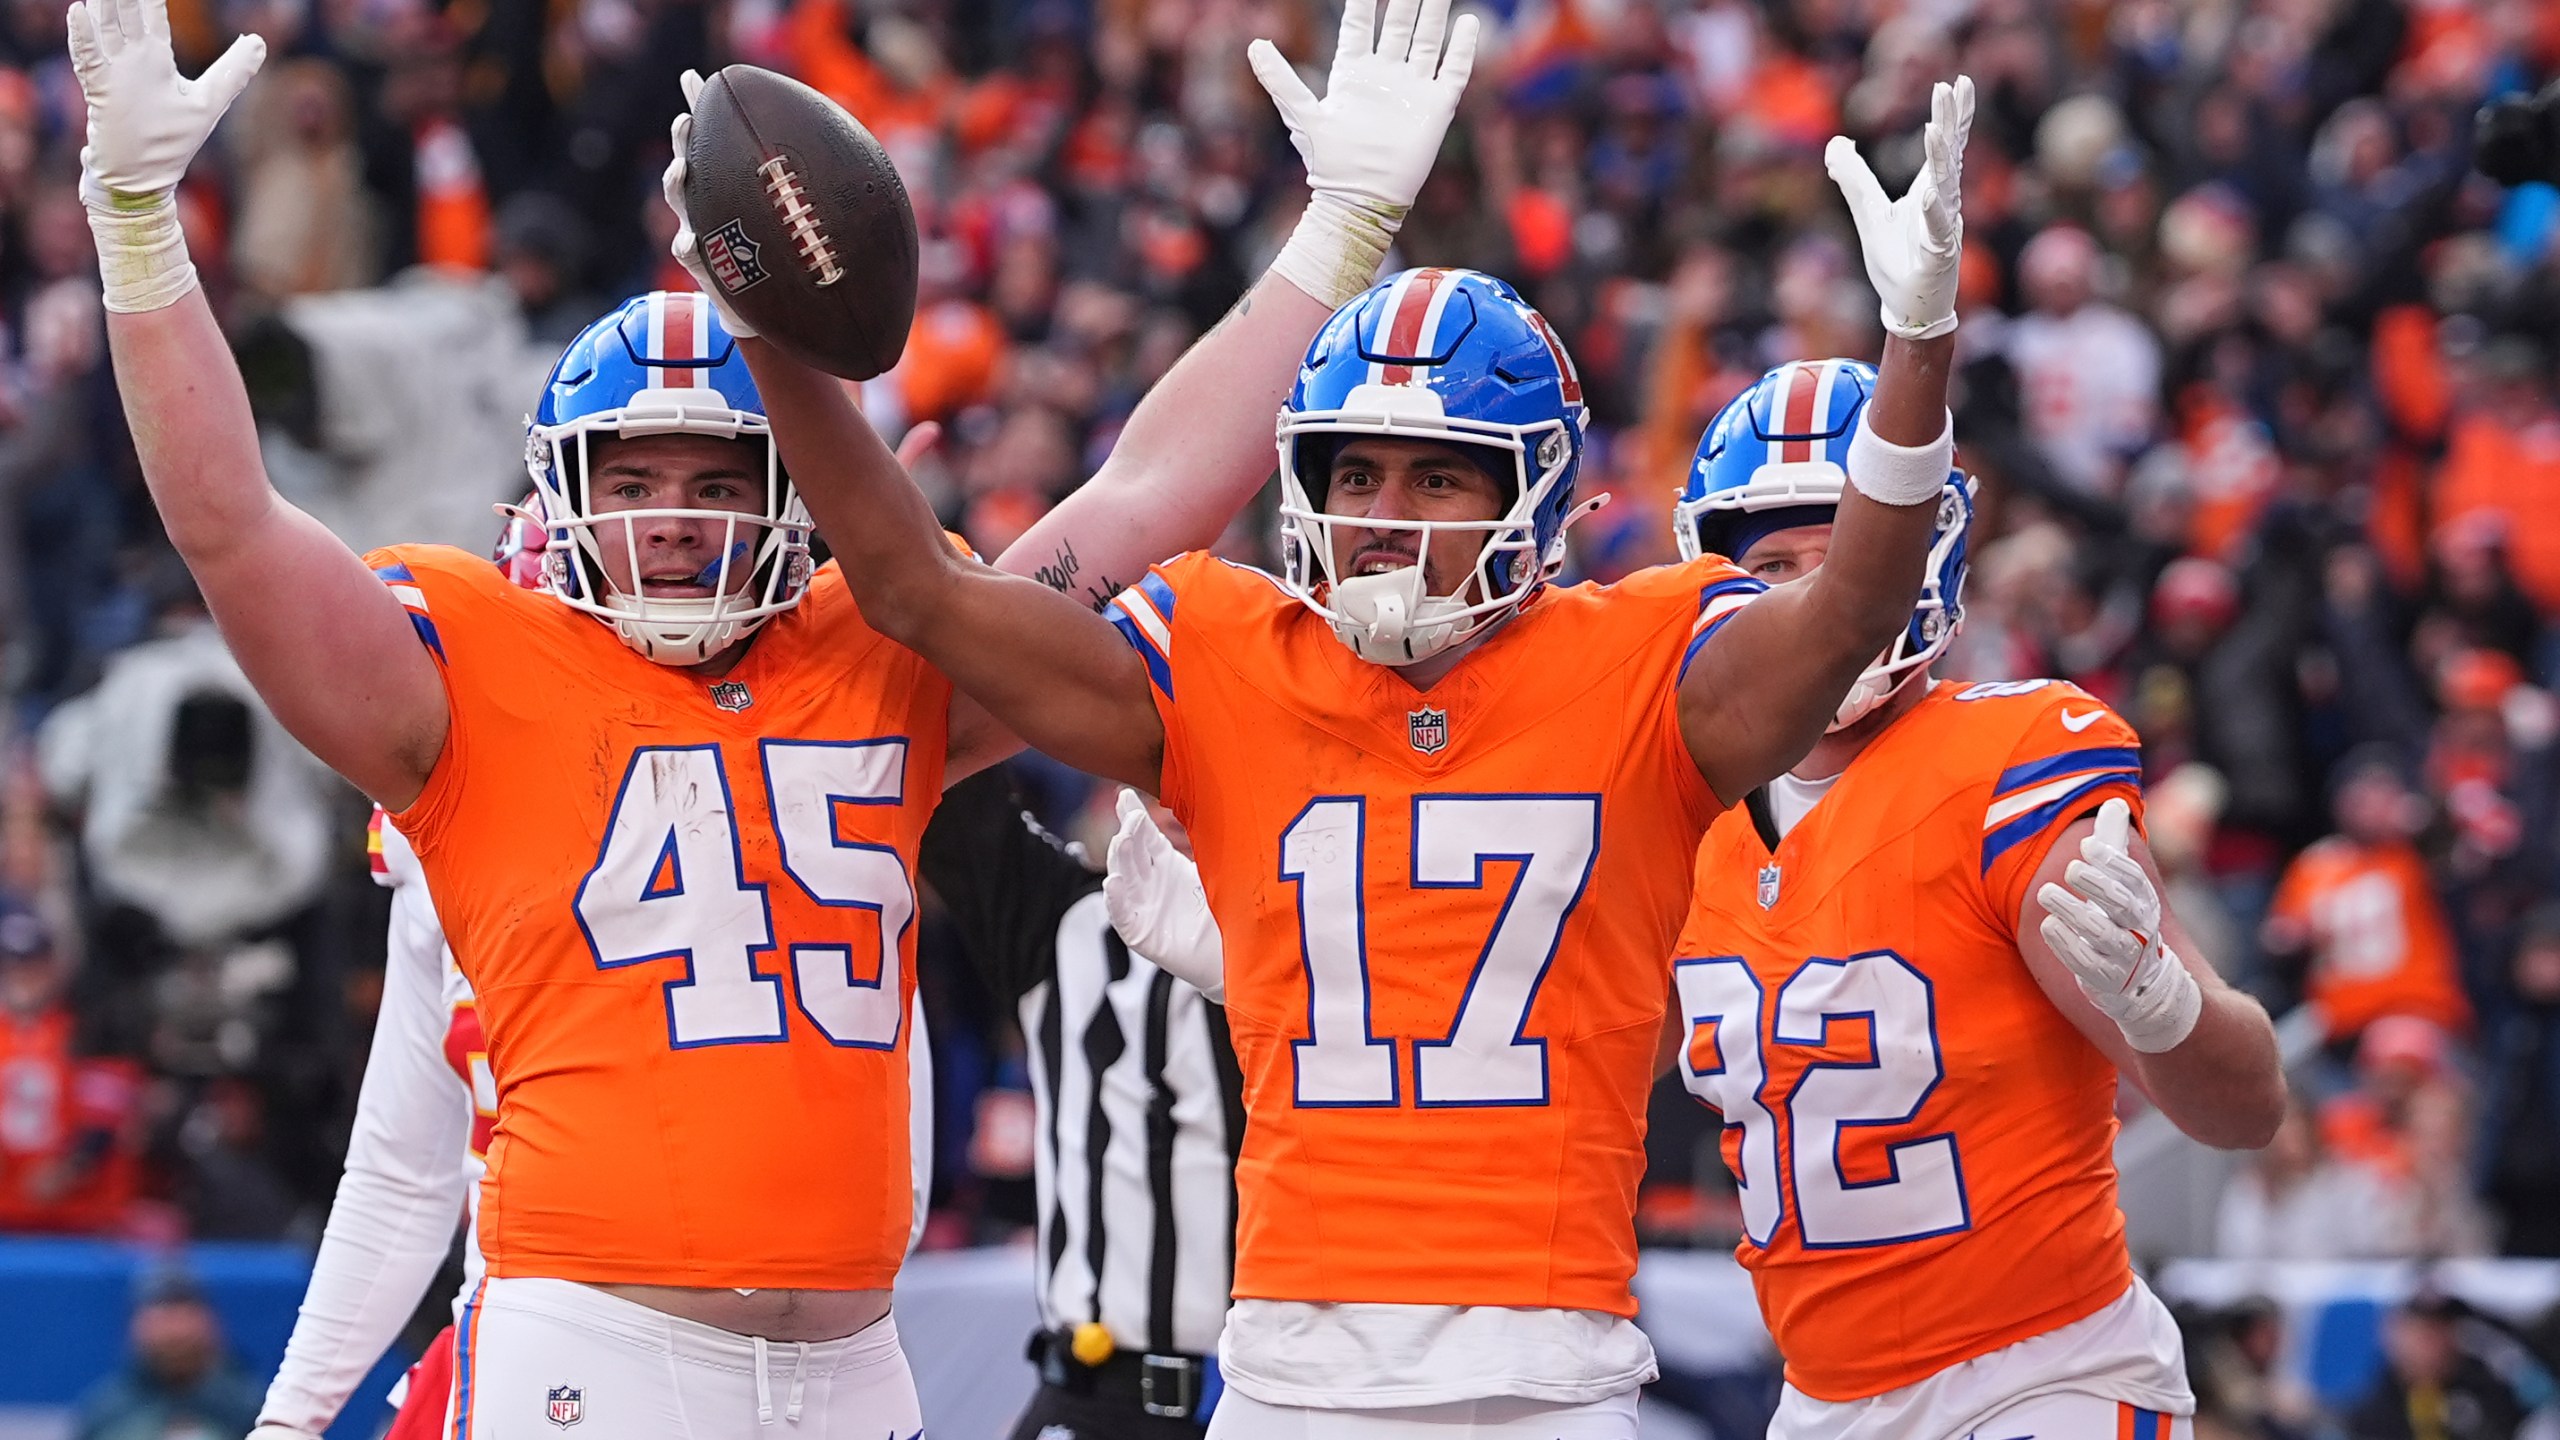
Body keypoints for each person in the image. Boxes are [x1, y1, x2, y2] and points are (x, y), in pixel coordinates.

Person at [72, 0, 1476, 1425]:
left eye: (713, 479)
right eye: (633, 482)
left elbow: (1143, 495)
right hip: (593, 1348)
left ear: (793, 495)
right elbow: (230, 526)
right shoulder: (470, 668)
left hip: (858, 1369)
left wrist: (1339, 234)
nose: (674, 521)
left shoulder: (881, 644)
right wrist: (139, 227)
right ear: (563, 498)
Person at [745, 67, 1980, 1438]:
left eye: (1437, 474)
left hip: (1546, 1376)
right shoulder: (1222, 648)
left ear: (1532, 488)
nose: (1384, 514)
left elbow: (1858, 609)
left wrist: (1917, 351)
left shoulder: (1645, 662)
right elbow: (922, 596)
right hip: (1289, 1373)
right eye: (1352, 472)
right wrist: (772, 338)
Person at [919, 772, 1240, 1439]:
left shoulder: (1327, 933)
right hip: (1102, 1400)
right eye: (1158, 757)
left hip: (1290, 1392)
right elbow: (935, 770)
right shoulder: (1061, 920)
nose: (1180, 789)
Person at [74, 1270, 264, 1440]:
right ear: (135, 1326)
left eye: (186, 1315)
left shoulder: (249, 1408)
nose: (176, 1331)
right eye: (163, 1316)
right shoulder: (106, 1410)